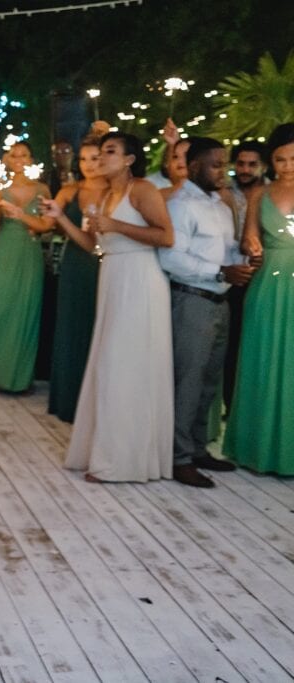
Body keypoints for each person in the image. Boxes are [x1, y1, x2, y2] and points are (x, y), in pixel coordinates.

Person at [46, 133, 175, 483]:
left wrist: (117, 224)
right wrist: (61, 217)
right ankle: (101, 451)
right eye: (101, 152)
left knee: (126, 365)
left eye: (110, 152)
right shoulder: (105, 195)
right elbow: (93, 244)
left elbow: (166, 236)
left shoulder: (142, 190)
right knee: (106, 363)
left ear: (131, 159)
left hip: (140, 279)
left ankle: (124, 461)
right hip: (112, 274)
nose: (102, 158)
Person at [160, 137, 254, 487]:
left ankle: (197, 448)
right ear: (195, 166)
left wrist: (244, 260)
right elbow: (171, 258)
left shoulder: (219, 205)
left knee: (208, 381)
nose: (223, 171)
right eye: (216, 164)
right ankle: (178, 457)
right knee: (188, 381)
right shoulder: (181, 205)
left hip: (220, 301)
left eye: (223, 163)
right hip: (192, 300)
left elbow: (226, 251)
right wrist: (219, 273)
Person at [223, 123, 294, 474]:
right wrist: (252, 246)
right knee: (264, 359)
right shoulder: (260, 195)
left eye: (293, 158)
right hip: (268, 284)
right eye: (280, 159)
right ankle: (261, 446)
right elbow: (247, 239)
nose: (287, 166)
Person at [0, 141, 55, 392]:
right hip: (5, 248)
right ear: (7, 159)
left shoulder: (42, 189)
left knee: (25, 307)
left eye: (24, 155)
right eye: (14, 154)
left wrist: (22, 216)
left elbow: (47, 225)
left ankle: (17, 376)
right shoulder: (0, 186)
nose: (19, 158)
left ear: (31, 159)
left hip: (28, 250)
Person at [47, 136, 106, 422]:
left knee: (99, 326)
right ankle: (68, 398)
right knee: (72, 326)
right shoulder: (70, 190)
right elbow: (47, 220)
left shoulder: (115, 191)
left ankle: (98, 400)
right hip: (75, 264)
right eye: (83, 159)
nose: (89, 165)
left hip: (106, 264)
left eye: (95, 158)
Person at [222, 140, 268, 412]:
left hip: (268, 277)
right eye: (240, 163)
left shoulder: (274, 193)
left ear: (263, 166)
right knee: (233, 345)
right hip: (232, 278)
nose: (245, 169)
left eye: (252, 164)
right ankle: (232, 405)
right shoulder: (223, 193)